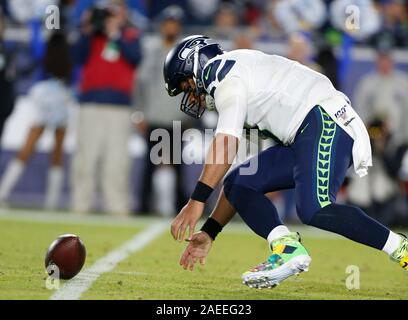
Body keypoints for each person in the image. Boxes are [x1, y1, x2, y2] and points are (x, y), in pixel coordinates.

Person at [163, 35, 408, 289]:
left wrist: (196, 201)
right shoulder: (236, 72)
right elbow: (235, 170)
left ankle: (401, 249)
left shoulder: (224, 77)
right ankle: (286, 246)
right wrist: (210, 231)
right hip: (303, 133)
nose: (190, 95)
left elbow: (225, 145)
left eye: (186, 84)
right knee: (239, 183)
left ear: (196, 63)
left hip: (323, 121)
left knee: (315, 207)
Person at [71, 0, 142, 215]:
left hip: (119, 108)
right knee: (86, 158)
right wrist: (87, 28)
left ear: (124, 13)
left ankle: (117, 207)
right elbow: (76, 57)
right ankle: (81, 206)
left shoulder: (130, 35)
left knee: (117, 160)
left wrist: (115, 33)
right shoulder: (90, 36)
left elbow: (135, 58)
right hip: (90, 104)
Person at [0, 32, 73, 209]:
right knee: (57, 151)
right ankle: (52, 201)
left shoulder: (44, 53)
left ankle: (3, 192)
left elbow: (32, 61)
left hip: (43, 94)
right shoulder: (67, 58)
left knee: (28, 146)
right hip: (61, 95)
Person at [135, 5, 189, 216]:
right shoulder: (151, 51)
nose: (170, 27)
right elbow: (140, 83)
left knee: (177, 165)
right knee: (151, 163)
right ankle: (144, 205)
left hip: (177, 117)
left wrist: (190, 116)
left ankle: (180, 207)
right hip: (154, 116)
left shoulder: (186, 53)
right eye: (168, 23)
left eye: (174, 23)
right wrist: (139, 112)